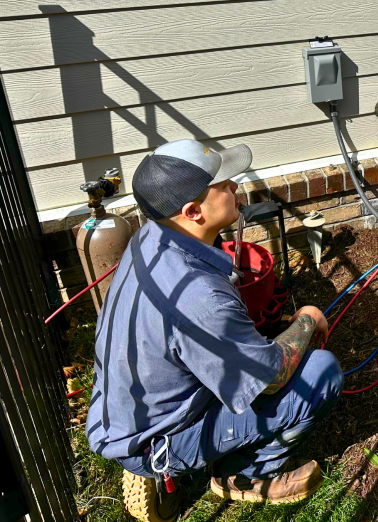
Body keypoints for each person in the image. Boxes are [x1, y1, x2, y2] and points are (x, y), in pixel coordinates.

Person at [86, 139, 342, 515]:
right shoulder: (199, 297)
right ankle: (241, 473)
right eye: (223, 185)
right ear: (193, 211)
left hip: (124, 409)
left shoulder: (149, 237)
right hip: (157, 437)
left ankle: (158, 450)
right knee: (321, 373)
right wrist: (308, 318)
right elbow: (271, 376)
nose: (235, 188)